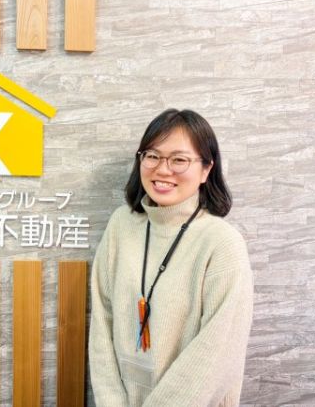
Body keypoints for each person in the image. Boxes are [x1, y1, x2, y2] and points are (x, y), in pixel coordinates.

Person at [89, 109, 254, 407]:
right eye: (152, 156)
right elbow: (102, 321)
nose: (163, 170)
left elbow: (216, 354)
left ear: (206, 169)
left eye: (179, 160)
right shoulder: (121, 226)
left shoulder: (222, 243)